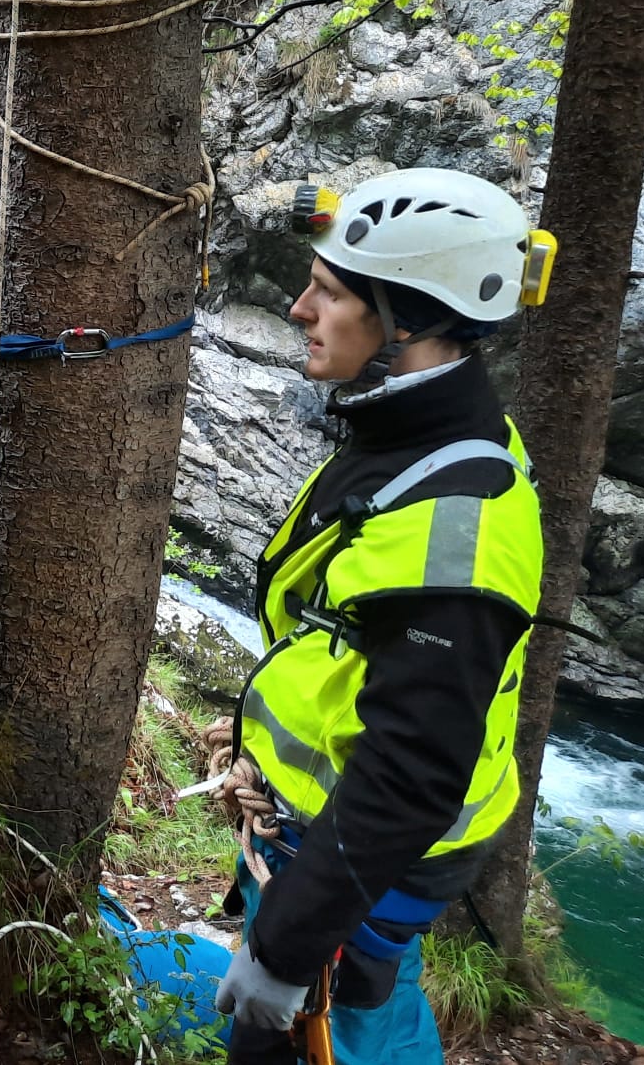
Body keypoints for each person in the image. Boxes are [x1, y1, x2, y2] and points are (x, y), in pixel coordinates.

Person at [214, 167, 556, 1064]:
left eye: (329, 293)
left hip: (370, 857)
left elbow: (409, 774)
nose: (299, 309)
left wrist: (285, 949)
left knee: (326, 1038)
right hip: (344, 837)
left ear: (407, 323)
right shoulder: (418, 432)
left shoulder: (456, 517)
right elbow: (351, 632)